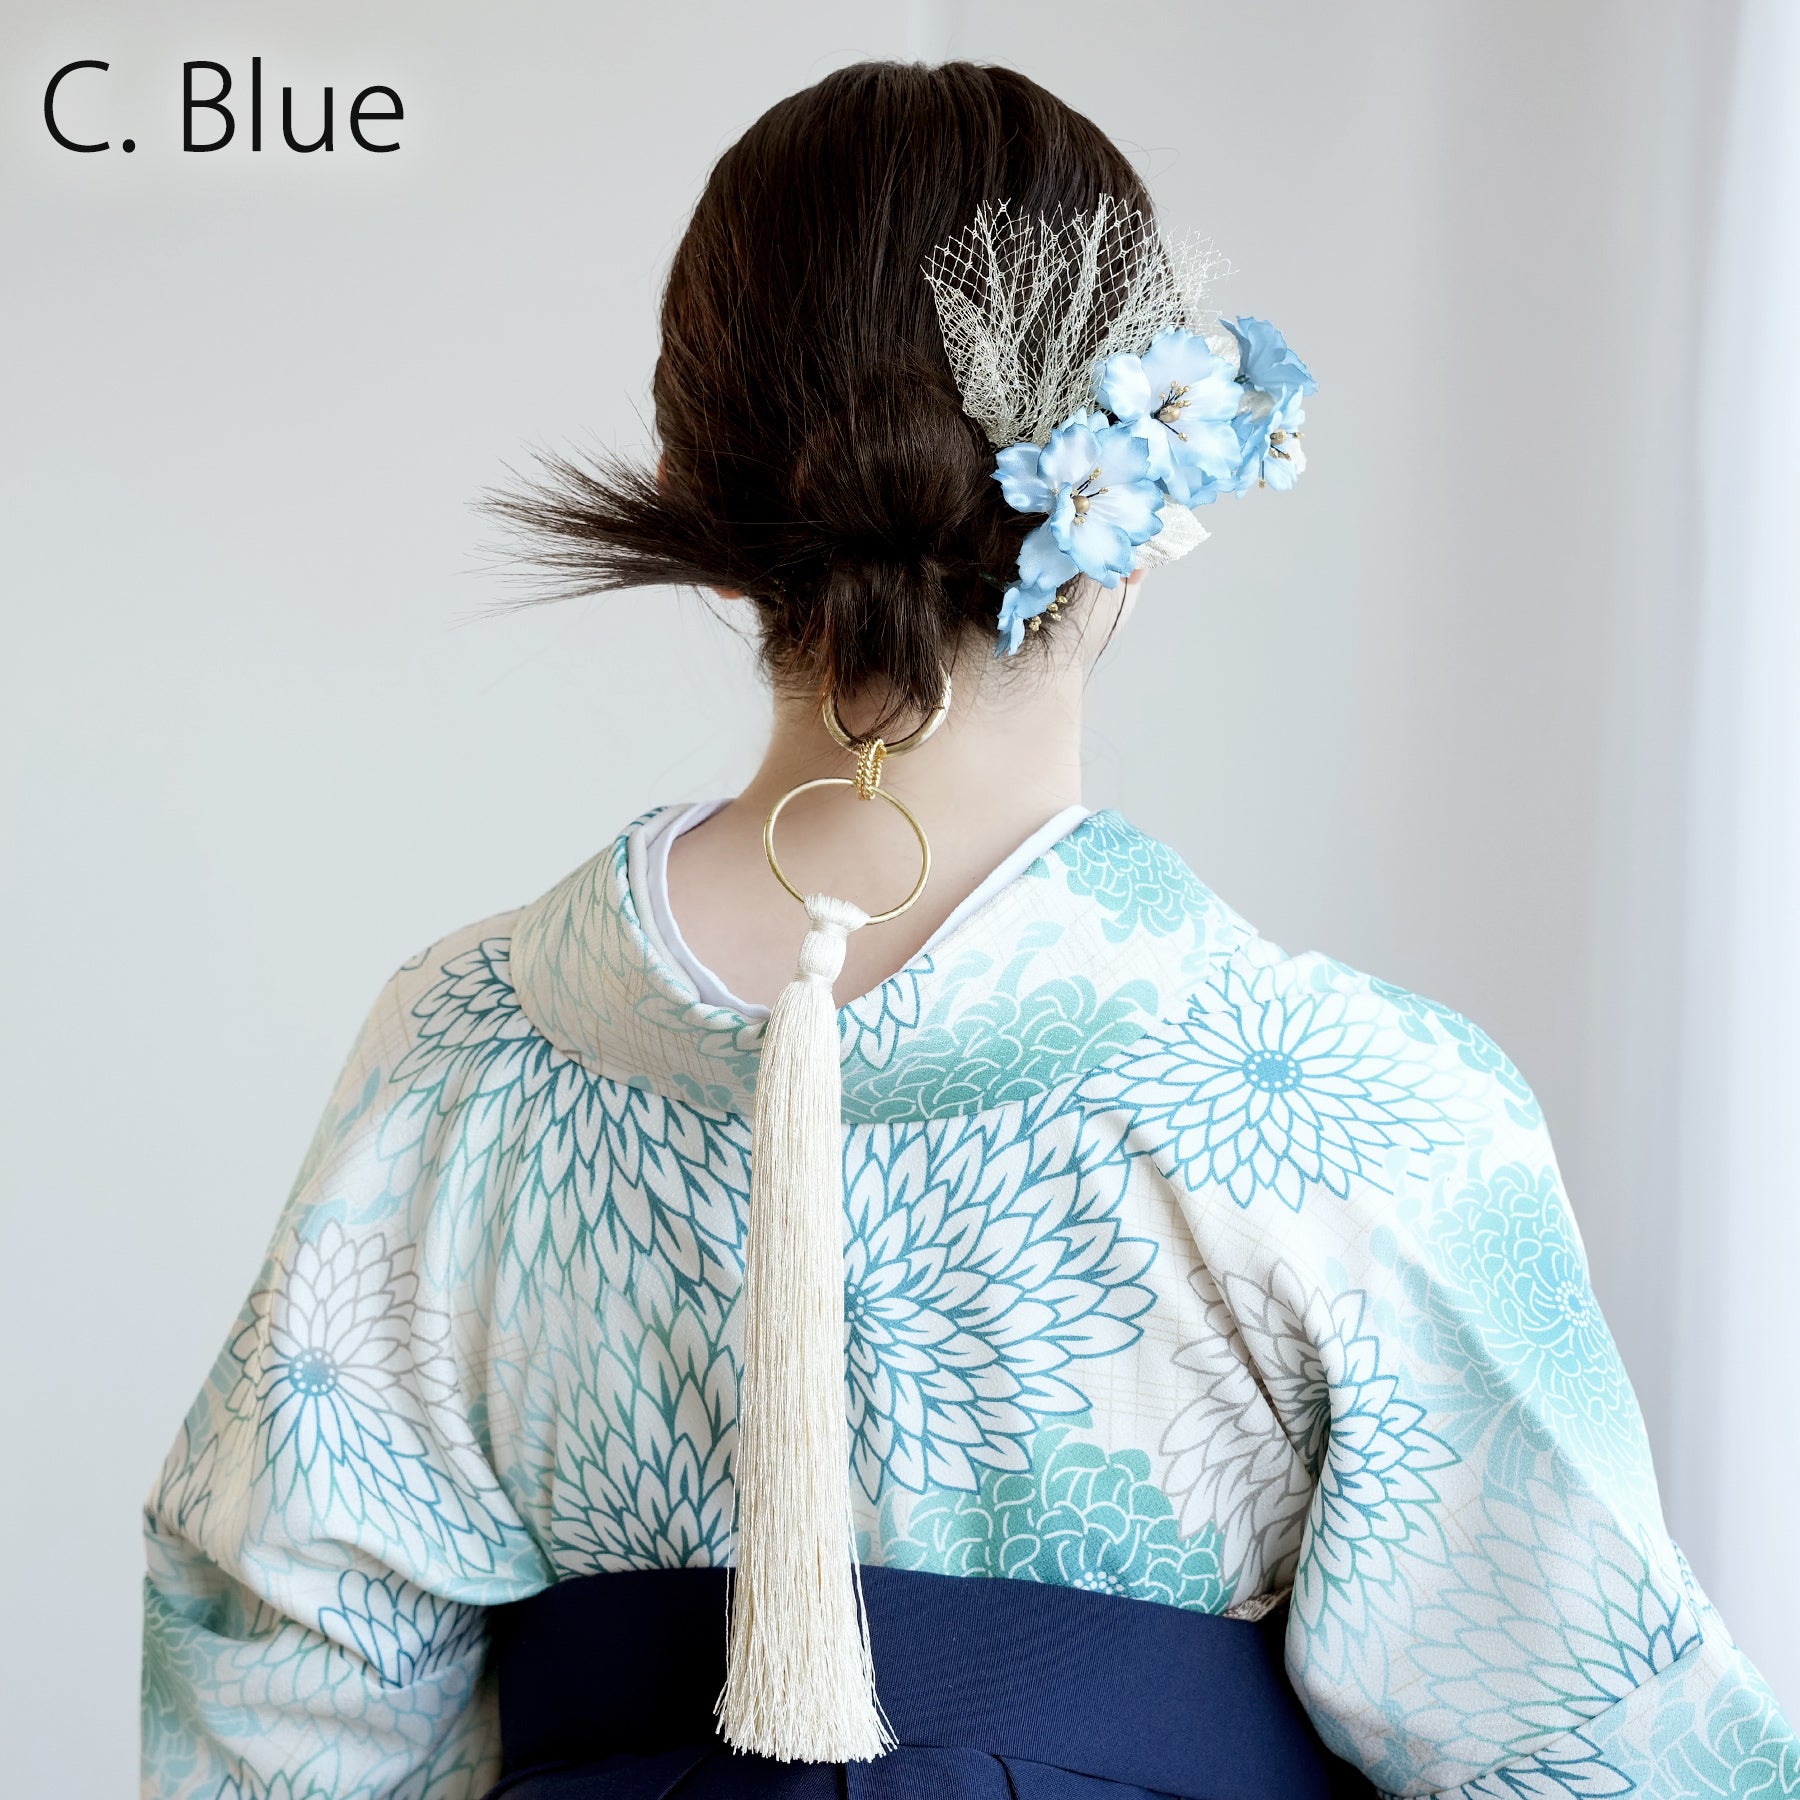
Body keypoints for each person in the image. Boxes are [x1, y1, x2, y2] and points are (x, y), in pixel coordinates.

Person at [142, 59, 1797, 1800]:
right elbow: (1598, 1742)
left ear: (706, 507)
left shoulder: (462, 1053)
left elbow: (280, 1698)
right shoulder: (1363, 1112)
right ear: (1144, 508)